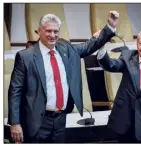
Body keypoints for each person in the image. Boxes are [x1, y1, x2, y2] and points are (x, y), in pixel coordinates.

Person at [8, 11, 119, 143]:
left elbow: (89, 46)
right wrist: (15, 123)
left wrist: (110, 27)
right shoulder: (25, 56)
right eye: (48, 31)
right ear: (39, 31)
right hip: (36, 120)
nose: (53, 35)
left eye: (56, 31)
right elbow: (15, 91)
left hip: (60, 119)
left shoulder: (66, 49)